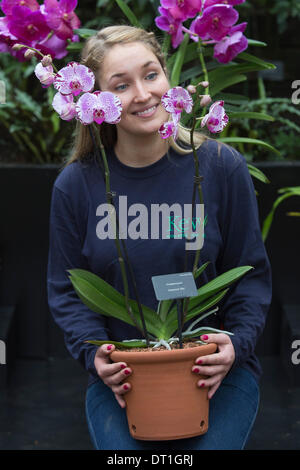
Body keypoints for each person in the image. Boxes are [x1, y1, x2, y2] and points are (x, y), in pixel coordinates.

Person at [47, 25, 272, 450]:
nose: (144, 93)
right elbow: (65, 288)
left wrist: (236, 345)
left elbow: (251, 273)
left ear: (168, 76)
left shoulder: (221, 167)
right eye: (121, 85)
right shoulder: (77, 186)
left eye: (151, 75)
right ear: (97, 100)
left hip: (213, 370)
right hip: (126, 375)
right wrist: (93, 354)